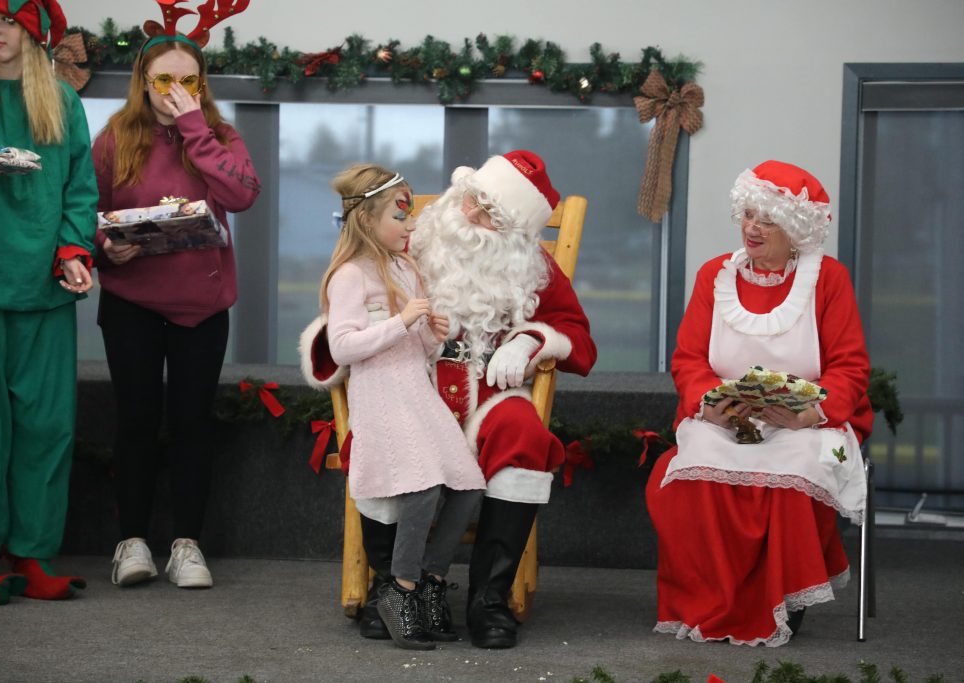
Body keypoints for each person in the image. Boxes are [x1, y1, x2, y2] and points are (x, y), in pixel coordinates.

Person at [301, 150, 597, 648]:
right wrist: (357, 335)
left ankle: (488, 599)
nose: (473, 217)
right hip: (408, 384)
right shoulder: (408, 241)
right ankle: (389, 589)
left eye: (491, 216)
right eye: (473, 201)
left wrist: (532, 339)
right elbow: (346, 311)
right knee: (386, 435)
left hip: (487, 394)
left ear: (518, 233)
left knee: (524, 435)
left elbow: (579, 338)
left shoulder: (533, 266)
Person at [645, 160, 873, 646]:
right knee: (688, 472)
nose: (752, 227)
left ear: (795, 230)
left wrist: (809, 413)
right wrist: (709, 402)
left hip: (821, 427)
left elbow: (850, 368)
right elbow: (688, 358)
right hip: (725, 419)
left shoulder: (828, 280)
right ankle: (713, 602)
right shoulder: (715, 275)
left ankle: (784, 595)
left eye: (766, 219)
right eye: (748, 214)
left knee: (799, 472)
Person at [93, 15, 260, 590]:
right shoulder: (117, 136)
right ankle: (132, 541)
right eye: (164, 82)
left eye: (188, 82)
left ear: (202, 85)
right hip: (131, 299)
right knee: (136, 420)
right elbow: (86, 210)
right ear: (143, 82)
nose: (176, 92)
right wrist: (102, 247)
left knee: (192, 422)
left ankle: (188, 544)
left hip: (202, 304)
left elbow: (240, 195)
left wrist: (194, 126)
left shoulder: (219, 135)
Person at [0, 0, 97, 605]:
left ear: (31, 30)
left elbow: (78, 188)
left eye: (5, 20)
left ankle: (33, 554)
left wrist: (72, 250)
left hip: (43, 291)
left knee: (46, 428)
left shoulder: (62, 103)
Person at [321, 163, 486, 650]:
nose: (411, 225)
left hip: (418, 393)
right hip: (381, 401)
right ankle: (401, 589)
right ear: (367, 220)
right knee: (423, 485)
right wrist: (400, 322)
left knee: (467, 485)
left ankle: (430, 581)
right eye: (401, 217)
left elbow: (416, 350)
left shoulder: (407, 269)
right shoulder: (349, 276)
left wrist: (430, 338)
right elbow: (343, 349)